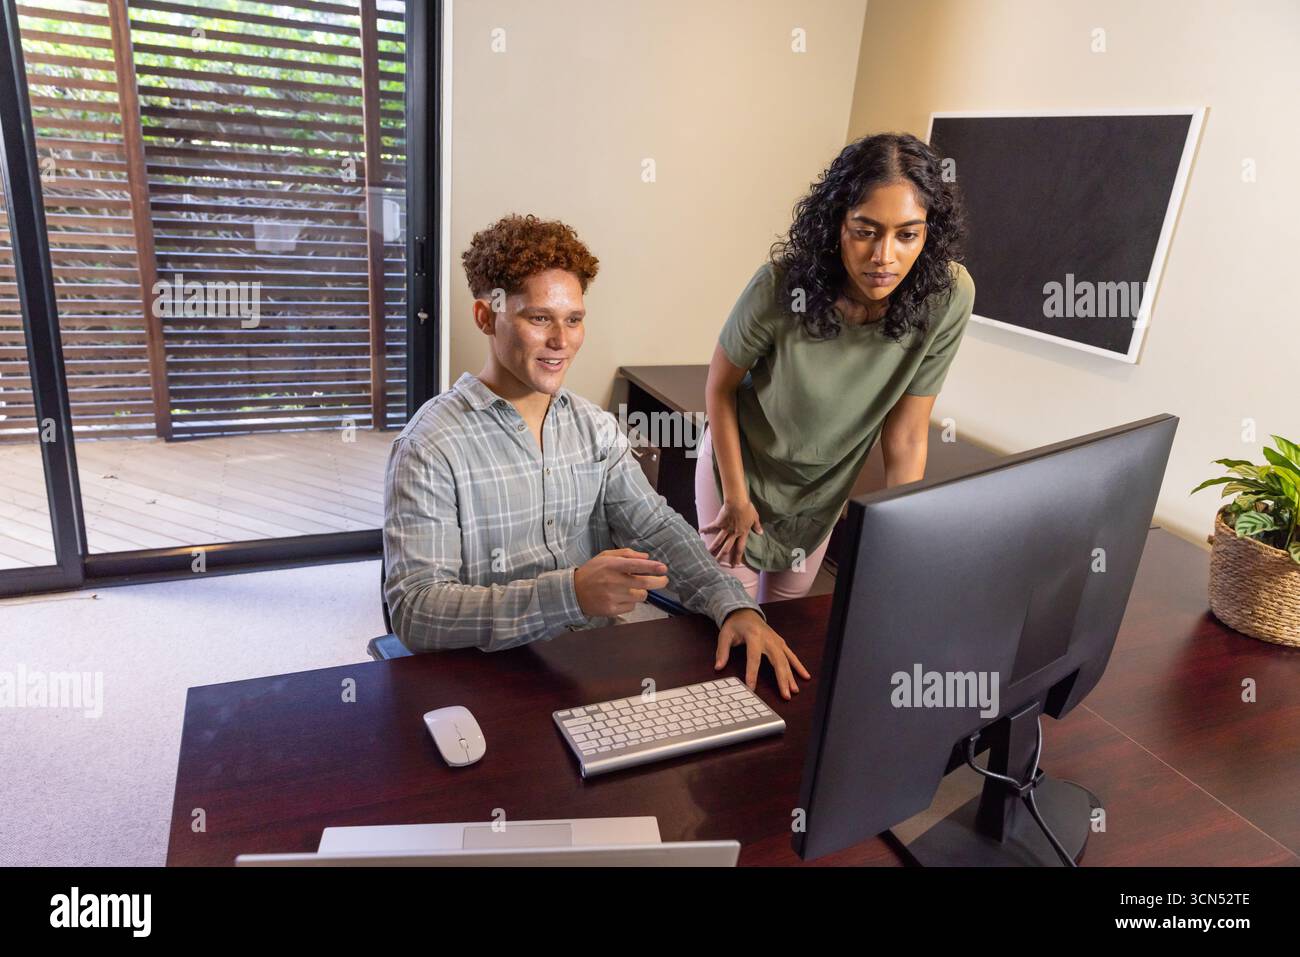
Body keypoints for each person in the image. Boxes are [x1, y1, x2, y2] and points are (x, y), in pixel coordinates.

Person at [384, 214, 810, 698]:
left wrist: (731, 603)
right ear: (486, 317)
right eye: (539, 318)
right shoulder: (428, 447)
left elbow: (656, 529)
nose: (561, 342)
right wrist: (569, 594)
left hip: (588, 670)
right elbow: (415, 612)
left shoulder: (595, 428)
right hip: (481, 685)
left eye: (574, 320)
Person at [698, 132, 975, 602]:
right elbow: (719, 389)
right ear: (835, 225)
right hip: (741, 471)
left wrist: (901, 533)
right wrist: (737, 497)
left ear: (928, 235)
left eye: (907, 234)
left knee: (790, 615)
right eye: (865, 231)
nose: (883, 257)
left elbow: (907, 435)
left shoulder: (947, 299)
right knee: (732, 613)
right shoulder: (779, 287)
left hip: (822, 491)